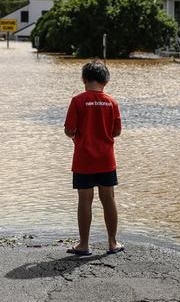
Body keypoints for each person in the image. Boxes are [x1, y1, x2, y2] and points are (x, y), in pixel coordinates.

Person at [64, 62, 124, 256]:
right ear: (106, 81)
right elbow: (117, 131)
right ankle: (113, 243)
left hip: (83, 159)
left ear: (84, 79)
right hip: (106, 159)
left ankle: (83, 245)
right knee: (109, 199)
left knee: (84, 200)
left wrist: (77, 136)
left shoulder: (77, 101)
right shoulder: (112, 102)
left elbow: (69, 130)